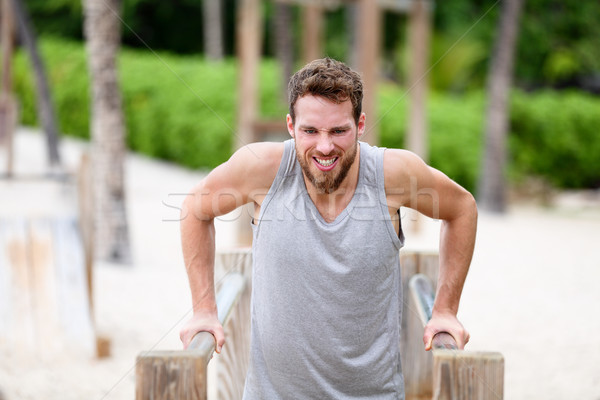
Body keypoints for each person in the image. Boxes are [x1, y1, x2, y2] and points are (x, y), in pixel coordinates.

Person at [179, 57, 477, 399]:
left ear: (360, 124)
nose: (324, 146)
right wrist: (203, 309)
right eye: (310, 131)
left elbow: (462, 208)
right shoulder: (262, 168)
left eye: (338, 130)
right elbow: (194, 209)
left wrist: (445, 310)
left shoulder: (392, 174)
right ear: (290, 126)